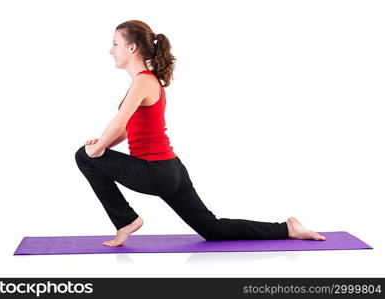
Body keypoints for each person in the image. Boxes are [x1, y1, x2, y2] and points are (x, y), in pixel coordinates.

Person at [75, 20, 326, 247]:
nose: (111, 50)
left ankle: (126, 220)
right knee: (212, 228)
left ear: (131, 48)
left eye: (115, 43)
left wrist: (96, 151)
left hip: (154, 172)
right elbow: (130, 130)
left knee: (83, 156)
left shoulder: (142, 81)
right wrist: (103, 145)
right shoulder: (147, 81)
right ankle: (287, 229)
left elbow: (118, 125)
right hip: (171, 170)